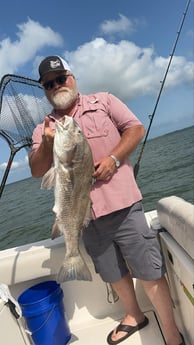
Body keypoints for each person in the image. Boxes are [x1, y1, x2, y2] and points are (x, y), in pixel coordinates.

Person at [29, 55, 185, 345]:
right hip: (85, 217)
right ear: (45, 90)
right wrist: (49, 143)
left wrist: (114, 158)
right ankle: (134, 315)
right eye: (49, 84)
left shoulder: (104, 101)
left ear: (72, 77)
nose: (56, 86)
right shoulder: (44, 129)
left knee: (149, 271)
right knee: (113, 273)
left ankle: (172, 334)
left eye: (60, 78)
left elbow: (136, 129)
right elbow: (38, 170)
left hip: (123, 205)